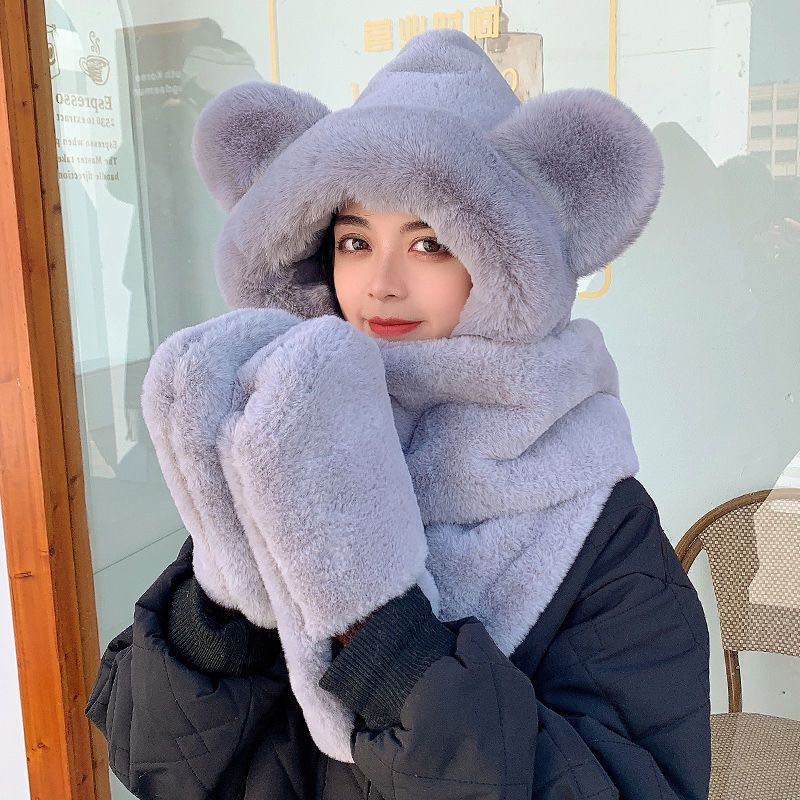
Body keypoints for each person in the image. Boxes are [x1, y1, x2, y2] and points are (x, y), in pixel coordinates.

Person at [85, 29, 712, 800]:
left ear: (503, 263)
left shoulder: (597, 526)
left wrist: (381, 633)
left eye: (429, 243)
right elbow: (157, 763)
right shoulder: (283, 447)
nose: (380, 283)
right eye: (355, 240)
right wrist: (218, 600)